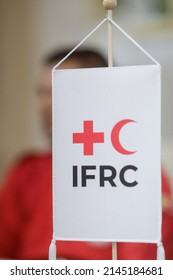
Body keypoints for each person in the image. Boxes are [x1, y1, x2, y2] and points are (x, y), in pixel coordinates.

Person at [0, 48, 173, 260]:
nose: (43, 104)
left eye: (56, 91)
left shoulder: (136, 170)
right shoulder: (27, 173)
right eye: (41, 93)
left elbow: (140, 267)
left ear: (100, 94)